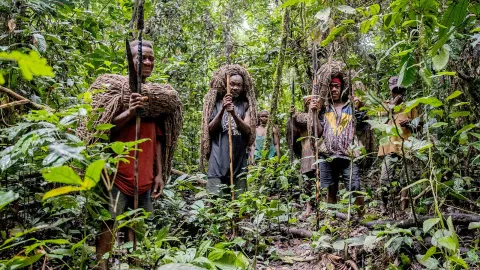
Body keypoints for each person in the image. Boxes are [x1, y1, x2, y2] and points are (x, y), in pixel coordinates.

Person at [78, 40, 183, 269]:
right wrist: (129, 112)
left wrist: (158, 174)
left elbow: (157, 140)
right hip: (116, 174)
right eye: (141, 58)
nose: (147, 62)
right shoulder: (116, 92)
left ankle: (133, 263)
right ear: (131, 61)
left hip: (144, 175)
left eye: (151, 58)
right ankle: (101, 265)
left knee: (136, 223)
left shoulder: (155, 99)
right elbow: (105, 129)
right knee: (108, 222)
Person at [312, 62, 367, 218]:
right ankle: (332, 220)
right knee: (330, 188)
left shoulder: (350, 107)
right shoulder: (325, 109)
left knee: (355, 186)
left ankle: (362, 220)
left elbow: (362, 126)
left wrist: (361, 108)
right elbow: (319, 131)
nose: (334, 89)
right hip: (327, 155)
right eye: (331, 86)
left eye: (337, 86)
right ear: (327, 89)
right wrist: (314, 113)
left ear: (342, 88)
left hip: (348, 154)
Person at [200, 64, 257, 198]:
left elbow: (248, 129)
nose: (235, 88)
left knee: (238, 203)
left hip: (238, 162)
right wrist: (222, 110)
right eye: (232, 84)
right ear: (226, 85)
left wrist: (234, 113)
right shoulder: (215, 103)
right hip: (217, 162)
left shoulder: (245, 105)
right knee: (215, 202)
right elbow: (210, 129)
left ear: (243, 87)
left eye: (239, 85)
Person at [378, 76, 419, 214]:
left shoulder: (411, 106)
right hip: (390, 147)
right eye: (395, 90)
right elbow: (381, 122)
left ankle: (403, 208)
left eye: (400, 90)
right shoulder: (385, 104)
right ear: (390, 91)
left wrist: (410, 124)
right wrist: (394, 104)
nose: (397, 93)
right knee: (385, 178)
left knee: (406, 178)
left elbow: (418, 125)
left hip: (407, 146)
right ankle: (383, 206)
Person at [287, 97, 319, 218]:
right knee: (307, 179)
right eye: (308, 102)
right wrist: (292, 117)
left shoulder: (320, 115)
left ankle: (321, 203)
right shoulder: (301, 117)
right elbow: (294, 132)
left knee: (321, 177)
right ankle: (308, 206)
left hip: (319, 149)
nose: (310, 104)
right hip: (306, 150)